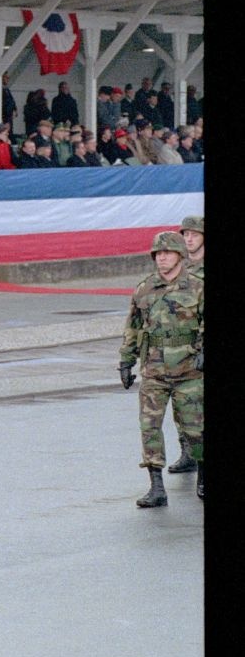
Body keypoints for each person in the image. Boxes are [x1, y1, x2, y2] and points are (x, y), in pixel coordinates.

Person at [119, 233, 204, 505]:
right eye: (157, 253)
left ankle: (203, 477)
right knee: (149, 427)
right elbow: (132, 327)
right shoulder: (144, 289)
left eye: (167, 252)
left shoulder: (197, 287)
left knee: (196, 429)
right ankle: (156, 487)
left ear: (179, 255)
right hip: (154, 371)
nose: (162, 257)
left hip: (189, 371)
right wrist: (126, 360)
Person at [167, 216, 205, 476]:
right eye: (186, 234)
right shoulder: (180, 269)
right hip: (183, 348)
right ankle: (188, 452)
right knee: (182, 405)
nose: (189, 238)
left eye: (194, 234)